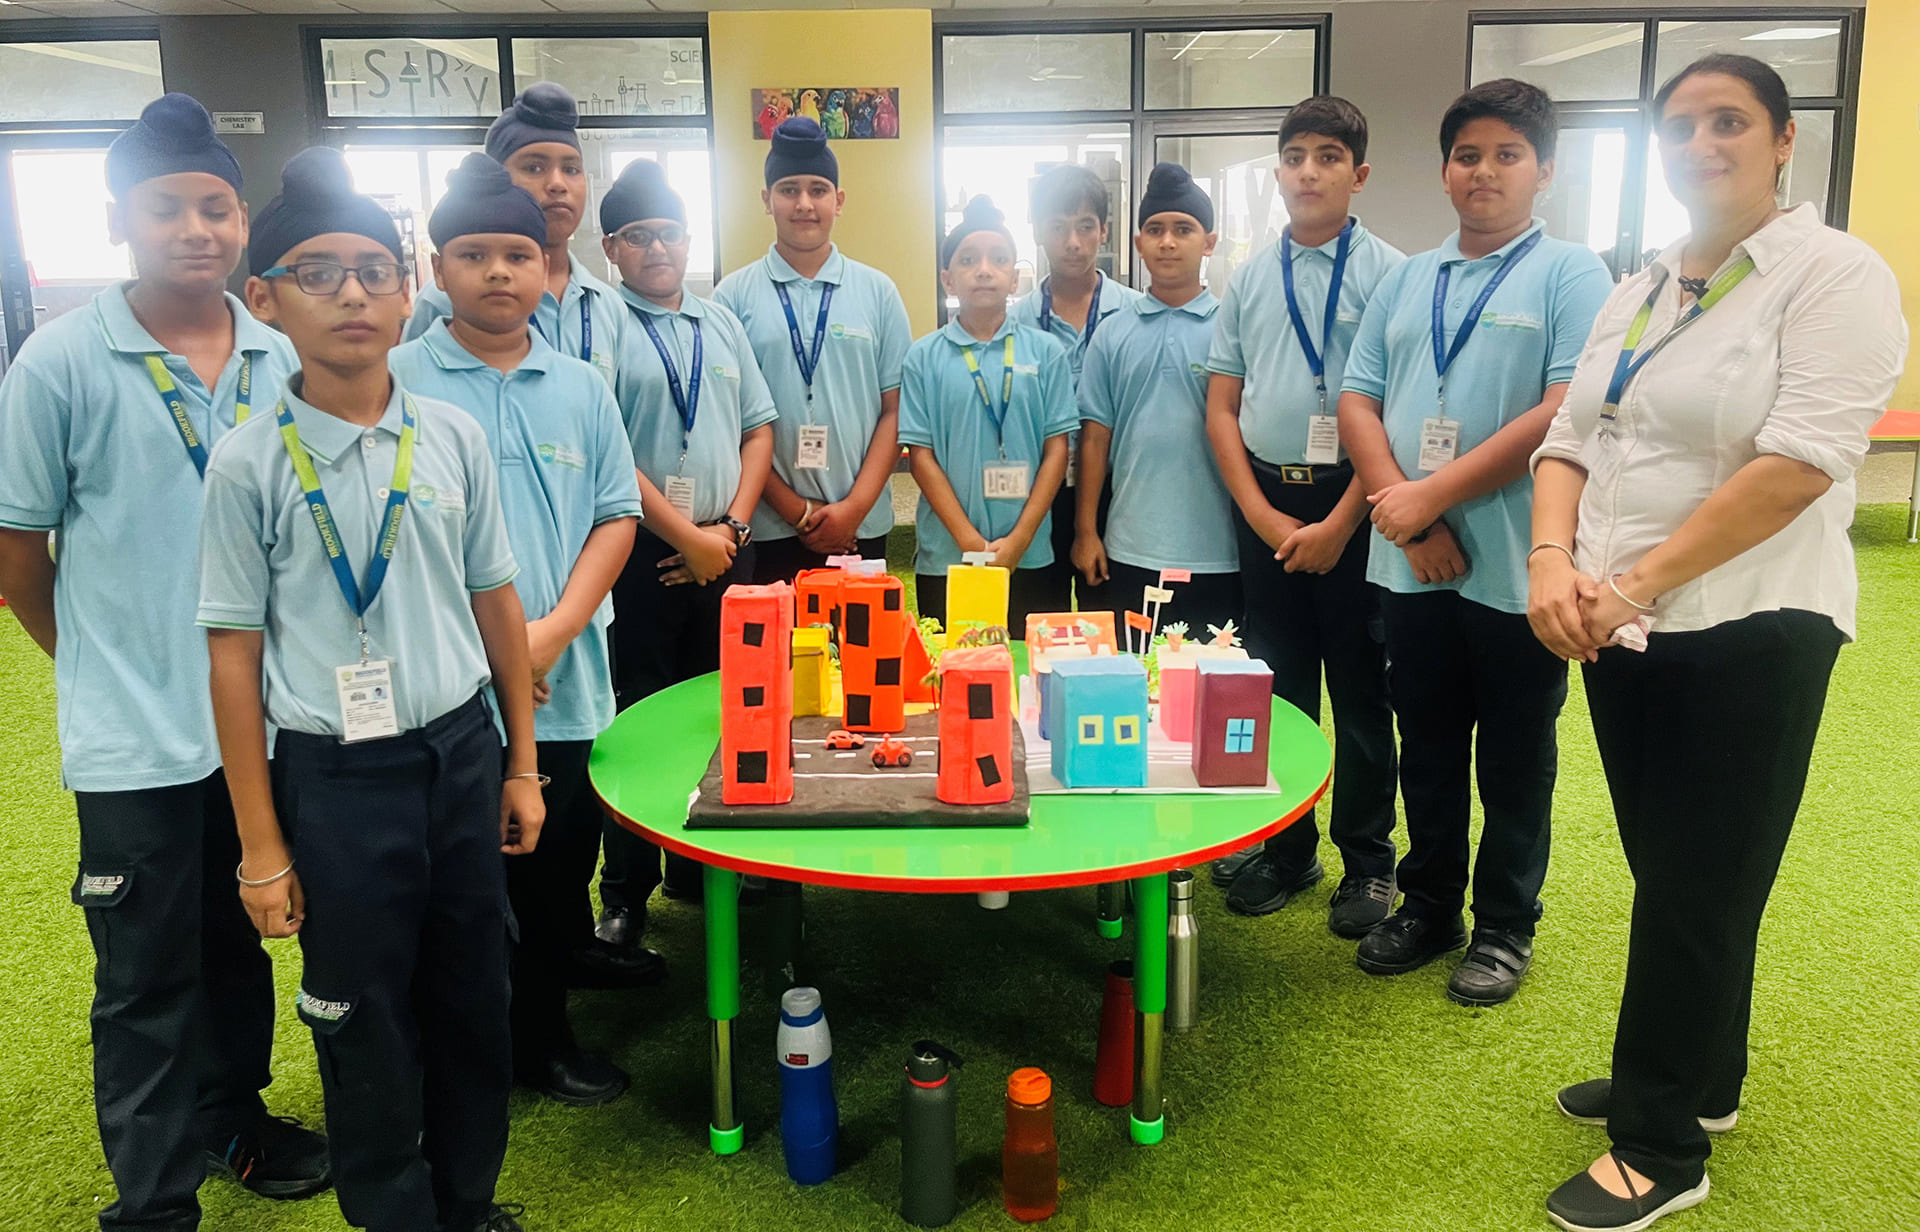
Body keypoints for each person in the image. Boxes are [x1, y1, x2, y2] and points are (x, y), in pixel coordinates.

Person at [1526, 55, 1907, 1232]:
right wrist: (1549, 560)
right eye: (1679, 125)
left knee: (1698, 883)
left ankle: (1660, 1143)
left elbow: (1798, 464)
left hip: (1753, 626)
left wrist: (1626, 583)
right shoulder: (1641, 284)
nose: (1700, 143)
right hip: (1623, 628)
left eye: (1728, 120)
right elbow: (1570, 435)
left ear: (1784, 139)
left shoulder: (1835, 274)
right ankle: (1705, 1074)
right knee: (1680, 874)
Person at [0, 94, 330, 1229]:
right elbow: (19, 552)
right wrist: (95, 660)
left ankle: (234, 1119)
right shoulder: (60, 362)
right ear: (118, 222)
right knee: (144, 975)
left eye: (216, 207)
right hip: (133, 734)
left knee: (239, 938)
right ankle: (152, 1203)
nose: (196, 229)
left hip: (269, 720)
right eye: (166, 208)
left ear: (241, 221)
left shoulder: (283, 355)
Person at [198, 146, 542, 1232]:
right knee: (360, 1015)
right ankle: (396, 1214)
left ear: (407, 293)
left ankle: (466, 1202)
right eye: (318, 273)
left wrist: (522, 765)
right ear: (266, 301)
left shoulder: (452, 437)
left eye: (373, 271)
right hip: (335, 778)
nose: (351, 293)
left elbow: (497, 604)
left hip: (459, 754)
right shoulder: (247, 463)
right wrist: (261, 847)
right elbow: (231, 655)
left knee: (472, 996)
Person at [1336, 79, 1611, 1007]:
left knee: (1516, 753)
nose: (1483, 171)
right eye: (1467, 155)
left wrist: (1432, 497)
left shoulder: (1572, 274)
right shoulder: (1409, 278)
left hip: (1521, 564)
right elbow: (1358, 398)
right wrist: (1409, 517)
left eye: (1507, 154)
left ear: (1545, 171)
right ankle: (1429, 905)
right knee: (1429, 742)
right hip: (1411, 562)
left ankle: (1504, 923)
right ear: (1445, 170)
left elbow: (1563, 409)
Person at [388, 153, 647, 1110]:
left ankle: (541, 1036)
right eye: (473, 254)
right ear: (438, 270)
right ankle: (458, 1047)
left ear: (547, 267)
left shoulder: (581, 386)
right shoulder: (395, 382)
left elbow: (615, 516)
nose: (498, 271)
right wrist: (494, 653)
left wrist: (549, 634)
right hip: (445, 685)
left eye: (518, 254)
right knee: (455, 881)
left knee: (556, 865)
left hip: (563, 675)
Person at [1203, 96, 1406, 928]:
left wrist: (1341, 523)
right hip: (1268, 504)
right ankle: (1287, 849)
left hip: (1357, 503)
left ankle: (1368, 864)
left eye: (1328, 157)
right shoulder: (1249, 278)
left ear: (1359, 174)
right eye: (1295, 157)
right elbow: (1222, 407)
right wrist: (1259, 514)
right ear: (1278, 172)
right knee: (1278, 690)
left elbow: (1391, 413)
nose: (1309, 172)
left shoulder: (1393, 274)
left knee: (1360, 692)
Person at [599, 157, 777, 924]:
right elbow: (607, 447)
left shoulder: (719, 321)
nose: (658, 249)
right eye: (639, 235)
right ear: (611, 248)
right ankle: (626, 895)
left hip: (727, 547)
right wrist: (685, 537)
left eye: (669, 232)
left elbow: (758, 428)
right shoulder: (604, 325)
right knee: (640, 719)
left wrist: (730, 528)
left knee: (720, 710)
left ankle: (703, 870)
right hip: (639, 552)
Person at [713, 116, 912, 582]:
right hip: (767, 525)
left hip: (860, 523)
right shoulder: (732, 298)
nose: (804, 203)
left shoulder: (878, 292)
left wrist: (855, 508)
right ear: (767, 200)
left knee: (861, 630)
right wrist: (796, 510)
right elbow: (730, 424)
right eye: (789, 189)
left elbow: (896, 410)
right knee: (775, 632)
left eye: (818, 190)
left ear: (838, 201)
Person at [1074, 162, 1238, 636]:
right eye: (1155, 229)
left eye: (1183, 229)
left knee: (1209, 674)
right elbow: (1095, 440)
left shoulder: (1232, 330)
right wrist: (1087, 531)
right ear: (1138, 243)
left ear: (1209, 242)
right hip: (1129, 547)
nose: (1167, 241)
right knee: (1134, 671)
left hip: (1220, 550)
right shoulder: (1112, 333)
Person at [900, 195, 1076, 631]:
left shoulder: (1046, 352)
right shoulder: (923, 357)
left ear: (1014, 278)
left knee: (1029, 666)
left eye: (998, 259)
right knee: (954, 665)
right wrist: (970, 542)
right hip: (949, 556)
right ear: (947, 279)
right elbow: (921, 457)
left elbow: (1057, 451)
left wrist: (1018, 541)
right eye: (968, 260)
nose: (983, 270)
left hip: (1029, 554)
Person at [406, 82, 625, 390]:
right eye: (534, 167)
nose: (557, 184)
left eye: (571, 169)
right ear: (497, 177)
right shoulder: (444, 300)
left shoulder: (606, 305)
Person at [1012, 163, 1142, 614]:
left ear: (1104, 231)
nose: (1072, 241)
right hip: (1036, 493)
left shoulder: (1135, 315)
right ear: (1037, 230)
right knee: (1035, 620)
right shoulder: (1015, 323)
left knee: (1104, 624)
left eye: (1085, 226)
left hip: (1114, 492)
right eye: (1058, 227)